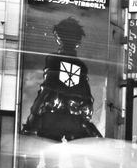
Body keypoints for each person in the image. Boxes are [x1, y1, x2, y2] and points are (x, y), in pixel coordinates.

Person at [22, 17, 102, 145]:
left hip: (53, 118)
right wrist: (85, 117)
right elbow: (87, 98)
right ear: (78, 41)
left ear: (58, 37)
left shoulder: (54, 60)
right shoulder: (81, 66)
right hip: (75, 120)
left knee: (50, 156)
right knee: (78, 157)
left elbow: (47, 91)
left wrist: (34, 116)